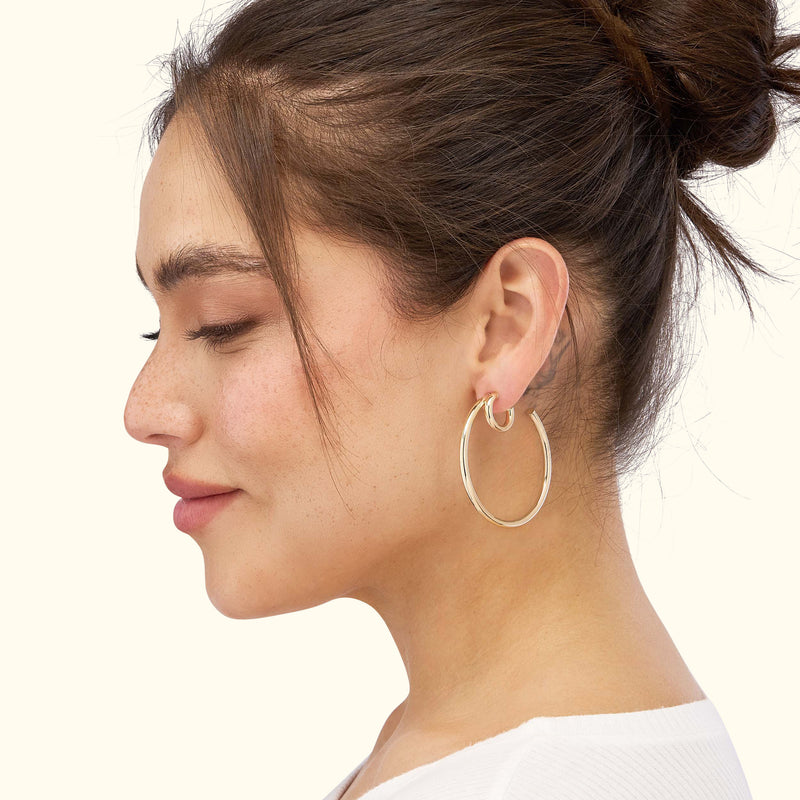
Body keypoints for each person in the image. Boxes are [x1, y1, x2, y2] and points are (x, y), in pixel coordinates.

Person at [123, 0, 800, 798]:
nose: (145, 409)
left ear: (507, 327)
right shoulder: (502, 753)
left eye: (221, 324)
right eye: (155, 333)